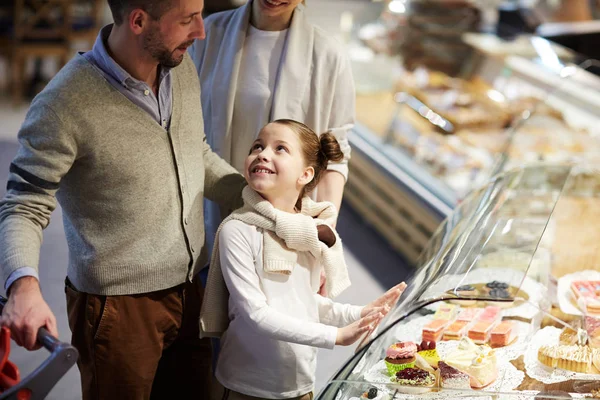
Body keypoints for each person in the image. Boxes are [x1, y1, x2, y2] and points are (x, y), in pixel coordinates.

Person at [0, 0, 246, 399]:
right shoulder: (63, 103)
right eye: (187, 20)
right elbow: (25, 202)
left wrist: (255, 200)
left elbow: (194, 152)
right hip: (117, 310)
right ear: (138, 21)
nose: (200, 31)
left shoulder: (181, 68)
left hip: (192, 290)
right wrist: (23, 287)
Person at [200, 119, 406, 400]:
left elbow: (302, 301)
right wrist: (335, 336)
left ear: (306, 174)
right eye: (257, 146)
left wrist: (358, 314)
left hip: (299, 384)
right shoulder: (238, 230)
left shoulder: (310, 231)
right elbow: (255, 314)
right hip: (246, 384)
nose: (263, 153)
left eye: (279, 148)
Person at [189, 0, 356, 275]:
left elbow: (335, 155)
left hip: (287, 230)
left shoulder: (328, 55)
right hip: (211, 211)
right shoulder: (208, 33)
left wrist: (325, 239)